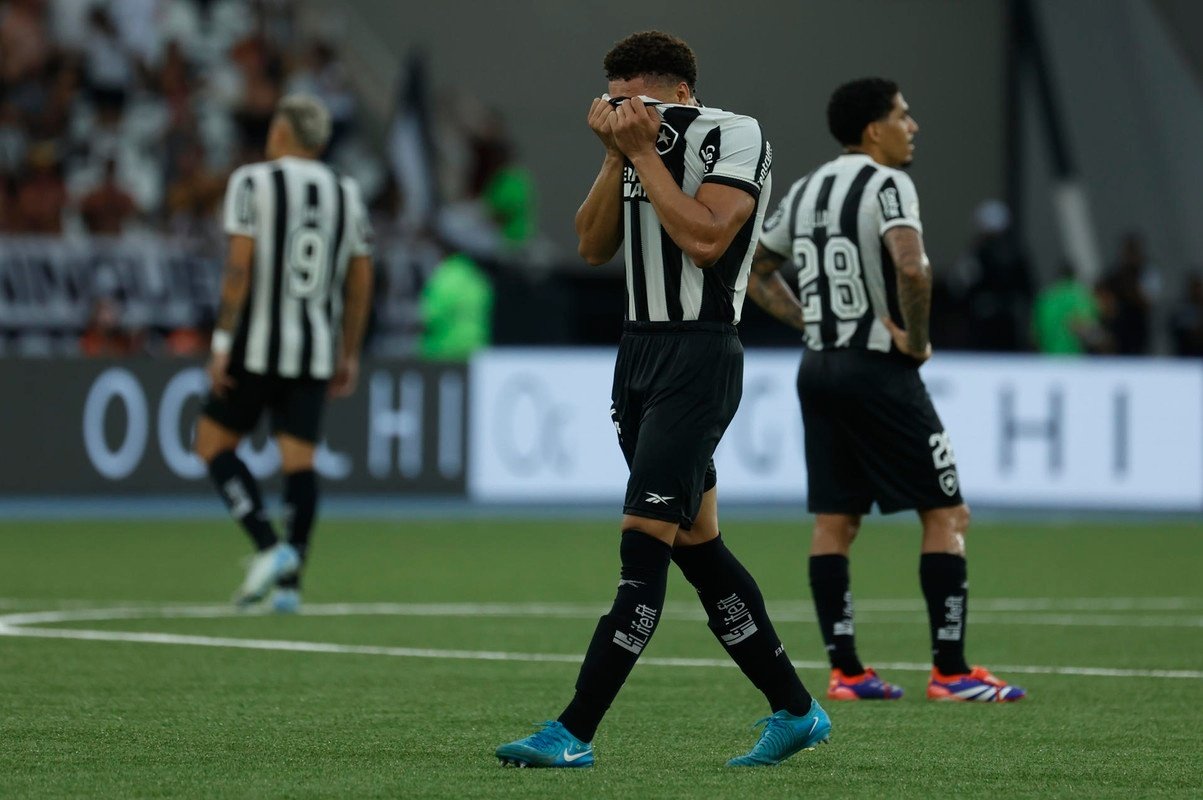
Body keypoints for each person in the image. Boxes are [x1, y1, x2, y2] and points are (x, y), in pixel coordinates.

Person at [495, 31, 829, 770]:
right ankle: (795, 710)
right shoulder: (628, 147)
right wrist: (616, 153)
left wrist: (643, 154)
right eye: (613, 103)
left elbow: (708, 240)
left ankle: (572, 731)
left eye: (635, 102)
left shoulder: (730, 135)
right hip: (637, 353)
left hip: (697, 354)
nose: (623, 114)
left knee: (641, 543)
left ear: (679, 94)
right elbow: (589, 248)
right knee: (697, 548)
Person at [747, 78, 1025, 703]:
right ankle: (951, 672)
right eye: (903, 115)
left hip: (817, 369)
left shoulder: (806, 188)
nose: (913, 126)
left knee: (834, 522)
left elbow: (757, 272)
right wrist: (918, 339)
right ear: (874, 130)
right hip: (877, 369)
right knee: (948, 512)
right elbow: (912, 266)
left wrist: (809, 321)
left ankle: (846, 671)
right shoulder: (889, 182)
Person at [193, 94, 374, 613]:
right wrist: (350, 351)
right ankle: (291, 586)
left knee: (212, 444)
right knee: (300, 463)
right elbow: (362, 280)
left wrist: (222, 342)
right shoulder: (346, 192)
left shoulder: (252, 181)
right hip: (315, 348)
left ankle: (270, 548)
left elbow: (239, 269)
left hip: (256, 343)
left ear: (280, 132)